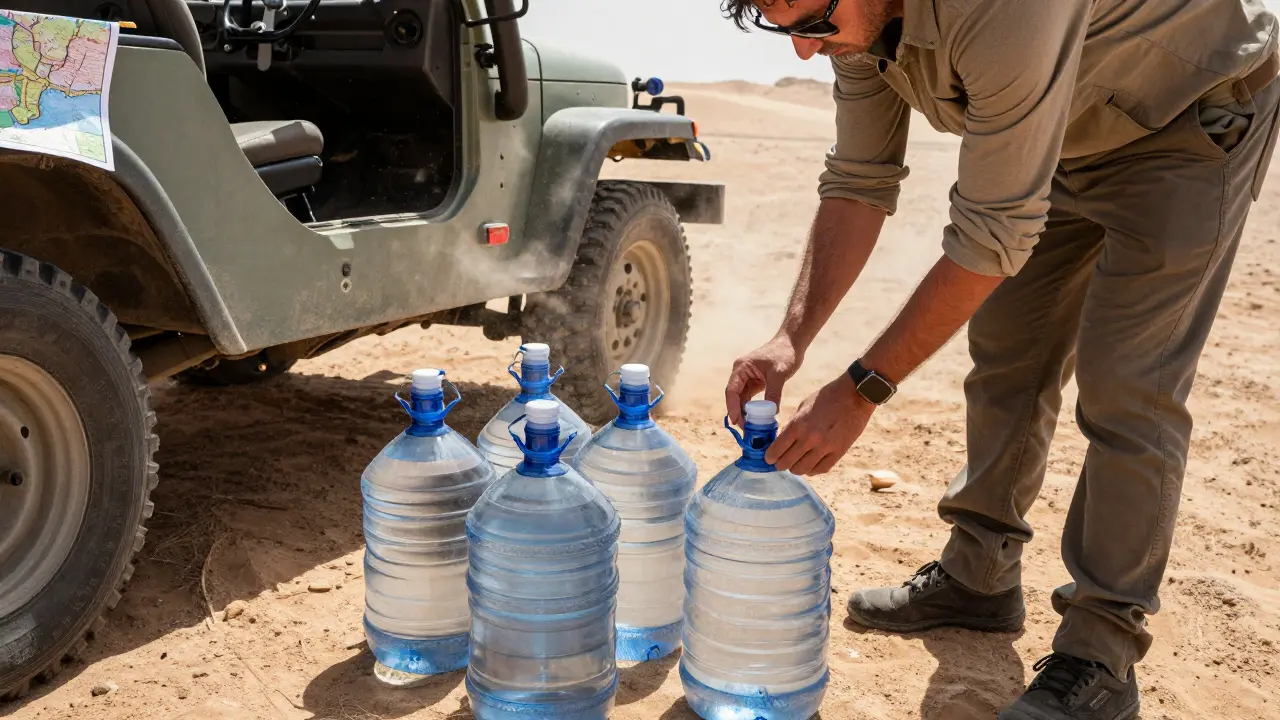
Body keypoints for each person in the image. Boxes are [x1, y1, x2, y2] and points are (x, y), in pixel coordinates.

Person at [719, 0, 1280, 718]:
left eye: (813, 23)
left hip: (1186, 117)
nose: (803, 50)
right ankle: (979, 576)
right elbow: (860, 180)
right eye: (782, 26)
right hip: (1064, 129)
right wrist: (790, 339)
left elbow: (991, 237)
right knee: (1009, 352)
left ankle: (1102, 653)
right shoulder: (850, 27)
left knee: (1128, 387)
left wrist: (860, 389)